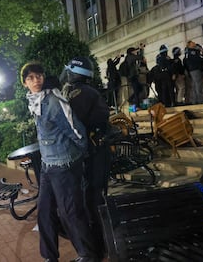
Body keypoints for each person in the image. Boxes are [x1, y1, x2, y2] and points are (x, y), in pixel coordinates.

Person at [21, 61, 99, 262]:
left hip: (64, 164)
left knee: (69, 213)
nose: (36, 80)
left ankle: (87, 255)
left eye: (39, 75)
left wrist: (78, 157)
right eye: (30, 78)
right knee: (44, 212)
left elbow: (77, 132)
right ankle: (49, 257)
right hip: (48, 165)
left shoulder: (54, 101)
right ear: (24, 83)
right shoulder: (35, 101)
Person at [60, 56, 110, 260]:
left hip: (94, 155)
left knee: (93, 201)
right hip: (95, 154)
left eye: (67, 71)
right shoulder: (84, 92)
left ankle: (99, 248)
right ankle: (100, 247)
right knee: (93, 200)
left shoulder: (79, 94)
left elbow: (74, 126)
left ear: (74, 72)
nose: (64, 74)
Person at [119, 43, 146, 108]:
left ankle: (131, 100)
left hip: (133, 76)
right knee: (137, 90)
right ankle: (137, 105)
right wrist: (141, 49)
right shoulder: (130, 57)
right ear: (131, 52)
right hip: (132, 77)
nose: (135, 52)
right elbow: (140, 57)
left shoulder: (129, 57)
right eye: (134, 51)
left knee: (139, 89)